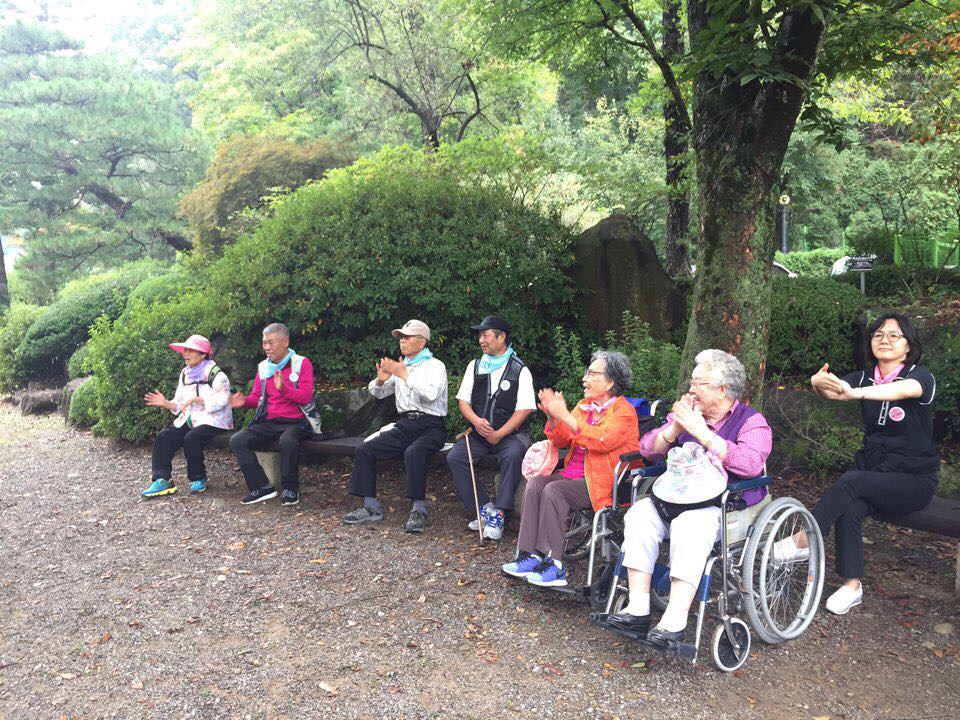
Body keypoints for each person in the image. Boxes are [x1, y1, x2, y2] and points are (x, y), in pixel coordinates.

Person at [775, 313, 939, 615]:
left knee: (852, 480)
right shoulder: (864, 377)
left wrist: (857, 393)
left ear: (908, 346)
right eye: (878, 334)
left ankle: (807, 537)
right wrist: (816, 383)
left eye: (894, 335)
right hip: (876, 473)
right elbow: (832, 392)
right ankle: (852, 586)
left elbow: (901, 390)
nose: (885, 340)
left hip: (913, 481)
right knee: (849, 507)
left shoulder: (920, 376)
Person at [606, 349, 772, 646]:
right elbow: (647, 450)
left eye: (698, 383)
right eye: (692, 382)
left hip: (725, 505)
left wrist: (703, 434)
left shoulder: (752, 422)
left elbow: (750, 464)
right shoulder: (687, 415)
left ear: (722, 390)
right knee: (639, 515)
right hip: (676, 496)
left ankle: (675, 619)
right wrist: (675, 429)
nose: (691, 389)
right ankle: (638, 608)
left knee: (690, 526)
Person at [501, 351, 639, 588]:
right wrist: (553, 417)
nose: (585, 378)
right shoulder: (584, 407)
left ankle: (554, 564)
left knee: (555, 490)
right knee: (536, 483)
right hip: (572, 475)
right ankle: (530, 555)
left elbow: (601, 440)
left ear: (609, 382)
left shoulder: (624, 412)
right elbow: (561, 440)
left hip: (602, 482)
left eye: (592, 373)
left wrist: (564, 414)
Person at [343, 320, 448, 533]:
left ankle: (419, 510)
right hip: (405, 424)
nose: (402, 341)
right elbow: (378, 393)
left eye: (407, 337)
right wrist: (381, 380)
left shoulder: (435, 366)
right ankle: (371, 506)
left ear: (422, 341)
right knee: (365, 449)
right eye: (401, 337)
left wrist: (403, 374)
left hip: (431, 426)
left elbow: (430, 395)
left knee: (413, 452)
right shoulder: (403, 366)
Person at [446, 316, 535, 540]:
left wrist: (499, 434)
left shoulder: (519, 369)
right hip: (479, 433)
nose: (481, 340)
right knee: (456, 457)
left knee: (512, 455)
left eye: (485, 335)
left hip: (512, 434)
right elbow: (463, 401)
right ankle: (484, 508)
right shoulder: (475, 366)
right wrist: (477, 421)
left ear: (501, 337)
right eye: (480, 336)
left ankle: (501, 513)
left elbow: (525, 408)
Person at [228, 323, 318, 507]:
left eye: (271, 342)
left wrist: (284, 389)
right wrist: (244, 401)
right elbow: (257, 397)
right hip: (270, 421)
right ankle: (262, 487)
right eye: (264, 343)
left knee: (288, 441)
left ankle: (290, 488)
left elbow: (305, 397)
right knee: (237, 440)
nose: (267, 347)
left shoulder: (301, 363)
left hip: (298, 421)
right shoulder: (263, 367)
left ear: (285, 342)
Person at [142, 335, 233, 498]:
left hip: (214, 420)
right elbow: (180, 403)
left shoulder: (216, 374)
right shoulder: (185, 373)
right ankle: (162, 480)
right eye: (185, 350)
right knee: (164, 436)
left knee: (192, 437)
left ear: (203, 354)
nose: (186, 354)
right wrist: (165, 403)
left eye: (191, 350)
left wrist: (197, 399)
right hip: (191, 418)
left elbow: (223, 400)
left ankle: (199, 478)